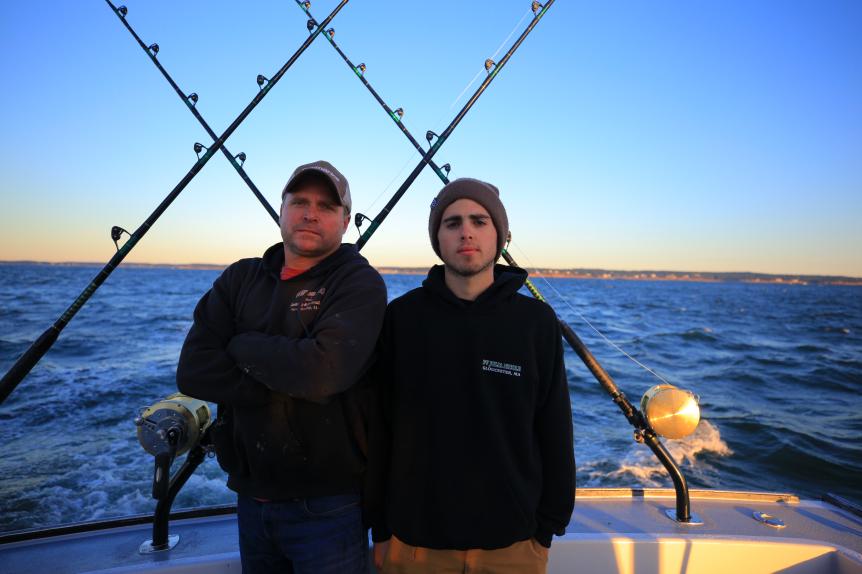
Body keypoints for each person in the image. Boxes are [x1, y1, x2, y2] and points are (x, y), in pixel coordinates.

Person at [176, 160, 387, 574]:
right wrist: (288, 379)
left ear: (345, 223)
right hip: (249, 498)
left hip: (329, 506)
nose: (311, 213)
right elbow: (194, 370)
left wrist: (241, 345)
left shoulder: (358, 283)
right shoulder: (240, 278)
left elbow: (324, 374)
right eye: (300, 202)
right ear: (281, 211)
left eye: (327, 206)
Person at [370, 178, 575, 574]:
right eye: (453, 223)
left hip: (514, 545)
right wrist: (379, 525)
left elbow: (555, 429)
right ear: (438, 239)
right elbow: (380, 426)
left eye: (480, 221)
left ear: (499, 235)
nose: (466, 231)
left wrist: (547, 529)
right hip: (413, 543)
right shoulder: (402, 319)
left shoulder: (536, 322)